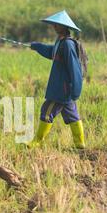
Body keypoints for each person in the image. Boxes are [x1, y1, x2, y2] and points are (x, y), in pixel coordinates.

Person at [27, 10, 85, 149]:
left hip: (62, 89)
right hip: (65, 89)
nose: (54, 26)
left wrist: (76, 90)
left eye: (57, 24)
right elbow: (51, 52)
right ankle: (80, 144)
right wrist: (37, 47)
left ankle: (37, 142)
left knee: (47, 110)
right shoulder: (61, 42)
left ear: (64, 27)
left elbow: (75, 68)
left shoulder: (68, 45)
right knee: (72, 115)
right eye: (54, 24)